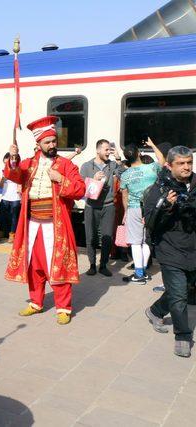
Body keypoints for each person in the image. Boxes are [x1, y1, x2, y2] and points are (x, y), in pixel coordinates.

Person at [4, 116, 86, 325]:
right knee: (33, 265)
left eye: (53, 141)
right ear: (38, 144)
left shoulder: (66, 165)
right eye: (47, 142)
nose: (52, 145)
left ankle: (63, 307)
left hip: (55, 225)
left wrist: (61, 179)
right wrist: (13, 159)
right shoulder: (28, 164)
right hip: (31, 223)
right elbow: (13, 175)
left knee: (58, 265)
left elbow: (80, 190)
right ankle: (35, 302)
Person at [143, 146, 196, 358]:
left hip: (192, 247)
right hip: (169, 248)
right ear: (169, 165)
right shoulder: (159, 189)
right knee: (179, 295)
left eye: (189, 163)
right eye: (181, 163)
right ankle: (182, 336)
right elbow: (151, 224)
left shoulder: (195, 185)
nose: (186, 167)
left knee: (183, 288)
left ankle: (155, 311)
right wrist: (164, 207)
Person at [120, 138, 165, 283]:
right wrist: (153, 145)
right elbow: (162, 160)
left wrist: (126, 212)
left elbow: (124, 195)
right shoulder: (151, 168)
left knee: (135, 242)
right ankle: (143, 271)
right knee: (146, 241)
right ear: (139, 153)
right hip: (151, 209)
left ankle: (138, 274)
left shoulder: (125, 175)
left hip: (134, 209)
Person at [79, 140, 123, 277]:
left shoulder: (112, 164)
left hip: (108, 205)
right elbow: (80, 186)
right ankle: (92, 265)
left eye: (109, 150)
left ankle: (103, 265)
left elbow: (123, 173)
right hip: (91, 206)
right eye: (106, 150)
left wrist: (118, 158)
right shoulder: (86, 166)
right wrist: (93, 178)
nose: (108, 152)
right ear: (98, 150)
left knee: (107, 237)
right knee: (90, 236)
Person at [0, 153, 21, 243]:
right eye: (4, 162)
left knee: (14, 217)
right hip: (5, 196)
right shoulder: (2, 171)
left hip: (16, 197)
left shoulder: (18, 170)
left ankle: (12, 234)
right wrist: (3, 179)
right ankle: (1, 232)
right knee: (2, 216)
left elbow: (21, 182)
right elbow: (0, 186)